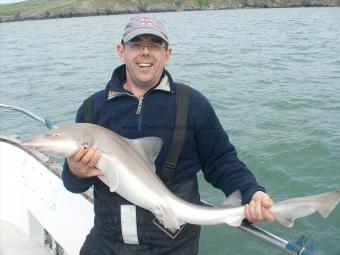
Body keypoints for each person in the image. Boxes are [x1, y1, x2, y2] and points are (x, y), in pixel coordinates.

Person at [62, 14, 274, 255]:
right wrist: (76, 172)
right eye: (136, 44)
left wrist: (251, 192)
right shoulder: (92, 108)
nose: (145, 52)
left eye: (154, 45)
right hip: (106, 241)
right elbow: (73, 184)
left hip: (171, 244)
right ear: (122, 51)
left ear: (167, 54)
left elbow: (221, 160)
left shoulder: (192, 104)